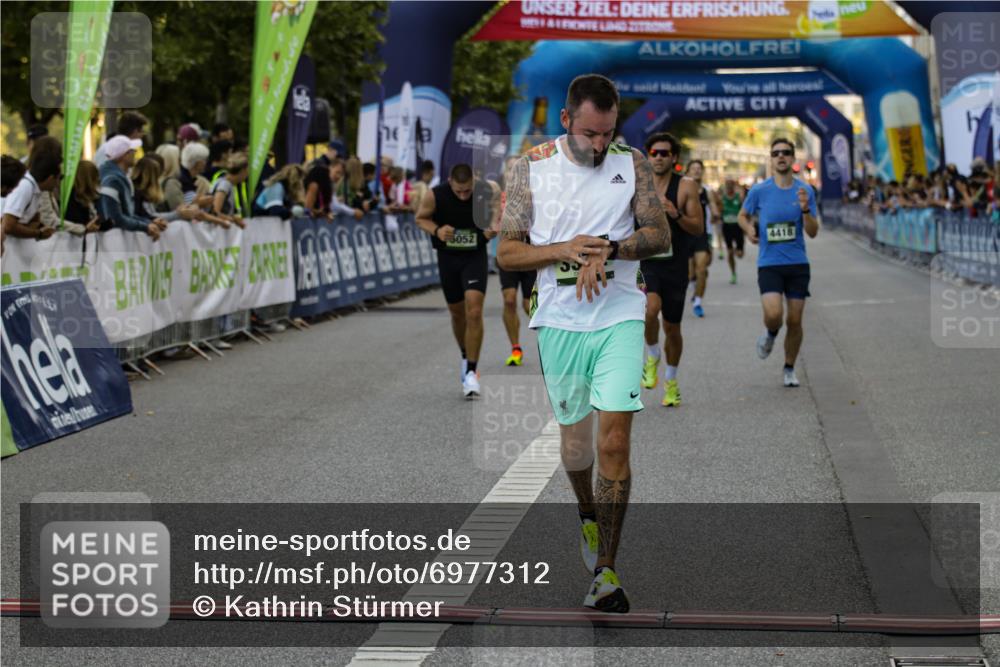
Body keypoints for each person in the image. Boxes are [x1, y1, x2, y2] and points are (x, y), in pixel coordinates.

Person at [497, 74, 669, 613]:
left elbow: (659, 236)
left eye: (609, 133)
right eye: (592, 134)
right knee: (576, 445)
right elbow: (507, 252)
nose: (601, 145)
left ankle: (607, 572)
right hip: (560, 321)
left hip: (619, 311)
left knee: (613, 441)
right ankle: (586, 514)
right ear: (567, 120)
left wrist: (611, 248)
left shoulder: (632, 162)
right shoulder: (529, 167)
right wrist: (562, 250)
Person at [738, 138, 819, 388]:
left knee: (795, 320)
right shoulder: (759, 191)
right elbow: (742, 215)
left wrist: (805, 210)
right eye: (776, 153)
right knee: (774, 315)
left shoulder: (805, 191)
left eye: (786, 153)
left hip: (797, 263)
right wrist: (749, 229)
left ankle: (789, 367)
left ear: (793, 158)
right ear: (771, 159)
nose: (781, 157)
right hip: (769, 263)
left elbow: (813, 232)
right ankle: (771, 334)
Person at [415, 163, 499, 398]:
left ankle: (472, 371)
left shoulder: (485, 190)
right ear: (450, 182)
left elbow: (496, 212)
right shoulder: (436, 194)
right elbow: (421, 218)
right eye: (459, 191)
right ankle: (465, 354)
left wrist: (492, 226)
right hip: (448, 258)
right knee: (457, 312)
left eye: (468, 191)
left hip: (475, 255)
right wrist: (437, 230)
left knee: (474, 310)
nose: (463, 195)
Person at [639, 132, 704, 407]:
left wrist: (675, 213)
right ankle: (652, 355)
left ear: (674, 158)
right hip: (648, 262)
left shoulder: (686, 186)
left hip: (676, 265)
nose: (658, 157)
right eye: (654, 153)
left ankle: (672, 380)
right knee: (650, 309)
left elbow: (698, 228)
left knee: (672, 328)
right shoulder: (638, 186)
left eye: (664, 153)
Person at [496, 156, 536, 366]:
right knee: (509, 299)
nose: (513, 173)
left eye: (517, 169)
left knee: (529, 305)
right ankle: (515, 348)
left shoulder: (535, 195)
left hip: (530, 253)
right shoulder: (498, 198)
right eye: (510, 169)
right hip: (508, 255)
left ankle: (550, 342)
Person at [98, 135, 164, 239]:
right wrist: (146, 226)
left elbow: (128, 214)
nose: (136, 153)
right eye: (133, 150)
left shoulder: (118, 177)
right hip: (113, 244)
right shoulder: (112, 180)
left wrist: (150, 221)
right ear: (125, 155)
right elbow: (115, 218)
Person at [2, 149, 60, 245]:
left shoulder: (34, 189)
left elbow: (29, 221)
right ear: (50, 178)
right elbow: (8, 225)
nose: (58, 183)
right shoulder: (25, 187)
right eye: (59, 177)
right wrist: (39, 233)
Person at [685, 159, 715, 318]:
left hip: (701, 234)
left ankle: (697, 302)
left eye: (699, 168)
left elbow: (715, 211)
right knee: (690, 273)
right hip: (685, 235)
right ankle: (693, 285)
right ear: (688, 172)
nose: (696, 171)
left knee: (702, 270)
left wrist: (716, 214)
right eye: (693, 168)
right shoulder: (682, 189)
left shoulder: (707, 191)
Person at [63, 160, 104, 234]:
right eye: (95, 176)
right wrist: (87, 227)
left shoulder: (94, 197)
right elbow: (75, 222)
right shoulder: (71, 198)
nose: (98, 180)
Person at [211, 154, 250, 228]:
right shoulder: (224, 185)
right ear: (242, 171)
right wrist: (234, 220)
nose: (248, 174)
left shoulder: (226, 183)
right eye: (248, 170)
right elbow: (215, 212)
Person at [719, 177, 746, 284]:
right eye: (727, 184)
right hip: (727, 227)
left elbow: (745, 211)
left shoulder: (738, 197)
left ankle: (737, 249)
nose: (729, 186)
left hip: (738, 227)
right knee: (729, 253)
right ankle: (733, 273)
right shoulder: (722, 198)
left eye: (731, 184)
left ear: (734, 186)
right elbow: (718, 211)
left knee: (740, 254)